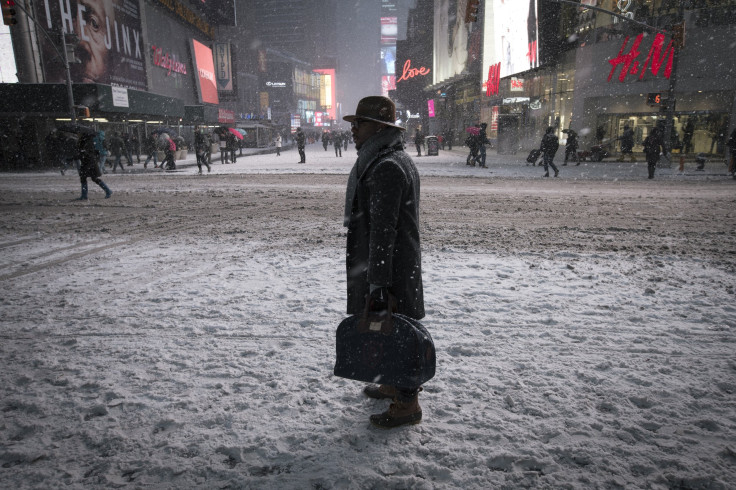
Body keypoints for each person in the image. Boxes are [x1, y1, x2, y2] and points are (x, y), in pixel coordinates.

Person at [342, 95, 425, 429]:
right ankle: (394, 382)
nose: (353, 130)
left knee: (398, 330)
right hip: (397, 266)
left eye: (359, 124)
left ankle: (408, 403)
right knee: (390, 330)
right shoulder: (390, 159)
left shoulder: (386, 166)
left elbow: (383, 232)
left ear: (378, 127)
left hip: (389, 270)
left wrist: (378, 285)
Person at [76, 128, 112, 200]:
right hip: (89, 162)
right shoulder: (86, 141)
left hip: (88, 162)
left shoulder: (85, 141)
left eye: (78, 133)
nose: (77, 134)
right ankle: (107, 190)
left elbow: (88, 152)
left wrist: (80, 154)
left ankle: (84, 195)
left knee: (86, 178)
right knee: (92, 178)